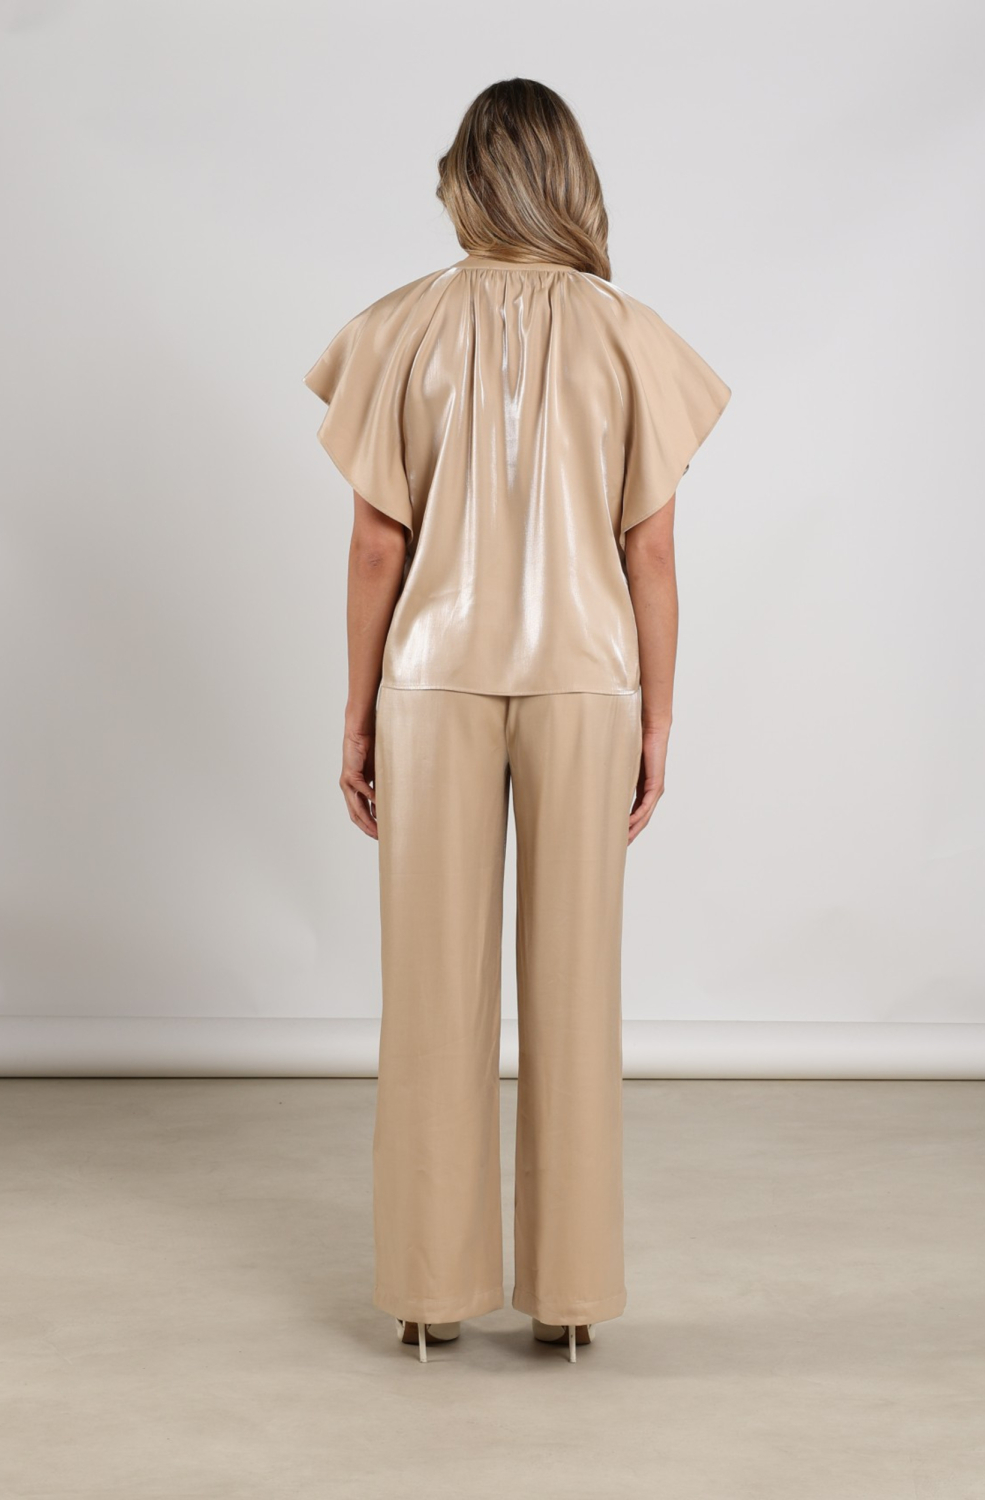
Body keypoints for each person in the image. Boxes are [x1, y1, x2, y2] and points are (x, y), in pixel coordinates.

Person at [303, 78, 731, 1364]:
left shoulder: (399, 326)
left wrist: (355, 714)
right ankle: (571, 1297)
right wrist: (659, 718)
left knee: (429, 992)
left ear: (467, 181)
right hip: (586, 679)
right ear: (568, 180)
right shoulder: (629, 334)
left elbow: (377, 546)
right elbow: (649, 551)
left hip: (432, 678)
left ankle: (426, 1295)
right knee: (577, 989)